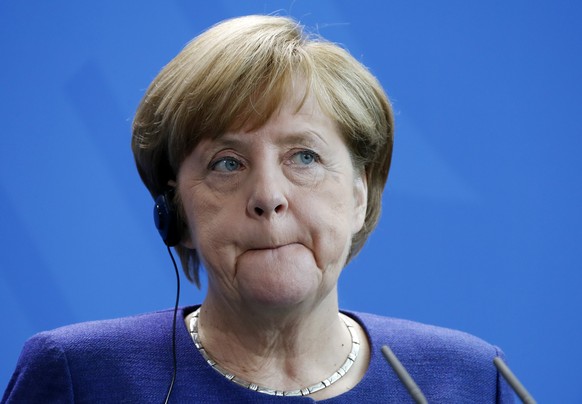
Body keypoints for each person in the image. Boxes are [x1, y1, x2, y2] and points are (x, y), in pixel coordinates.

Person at [2, 15, 513, 403]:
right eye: (227, 163)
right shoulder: (79, 376)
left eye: (304, 157)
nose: (268, 195)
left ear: (360, 195)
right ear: (175, 211)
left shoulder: (469, 379)